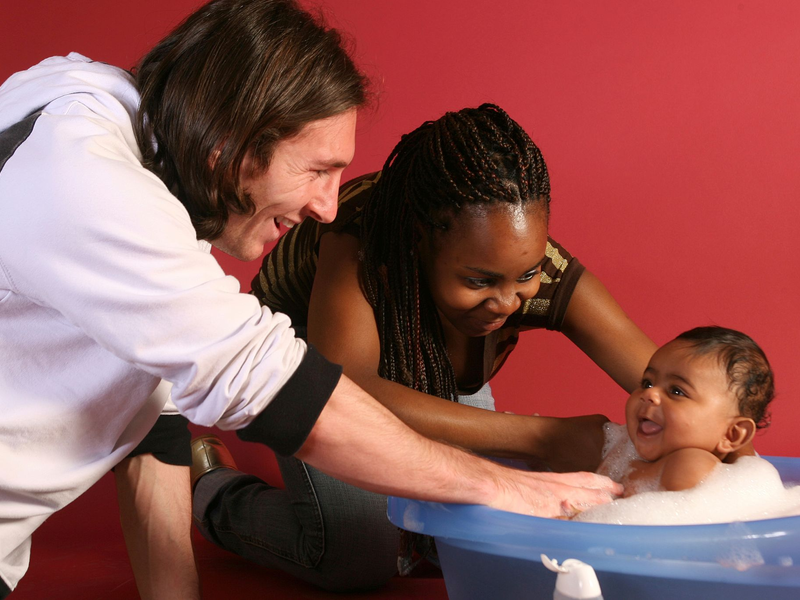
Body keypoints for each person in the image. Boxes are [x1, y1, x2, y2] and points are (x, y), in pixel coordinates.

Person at [0, 2, 621, 598]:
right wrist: (505, 486)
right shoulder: (85, 183)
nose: (327, 205)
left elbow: (149, 432)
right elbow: (267, 384)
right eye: (317, 170)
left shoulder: (99, 119)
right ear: (231, 146)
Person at [188, 104, 658, 591]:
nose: (506, 301)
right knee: (359, 552)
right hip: (313, 358)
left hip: (424, 365)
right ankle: (214, 491)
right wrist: (544, 437)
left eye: (527, 274)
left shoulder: (528, 267)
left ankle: (415, 539)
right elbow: (348, 389)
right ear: (419, 243)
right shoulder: (359, 236)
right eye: (479, 280)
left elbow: (670, 381)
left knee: (479, 523)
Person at [596, 325, 774, 498]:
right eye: (647, 383)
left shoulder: (693, 465)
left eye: (677, 391)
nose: (650, 393)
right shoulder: (625, 450)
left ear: (731, 435)